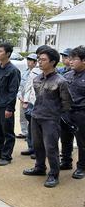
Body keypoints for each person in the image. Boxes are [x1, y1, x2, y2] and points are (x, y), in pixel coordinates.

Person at [23, 46, 72, 188]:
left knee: (51, 148)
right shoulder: (37, 79)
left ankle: (54, 174)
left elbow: (67, 103)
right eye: (39, 59)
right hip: (36, 116)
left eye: (43, 59)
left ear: (53, 62)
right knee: (37, 145)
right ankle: (39, 167)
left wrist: (54, 113)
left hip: (51, 119)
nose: (39, 62)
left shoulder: (61, 81)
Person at [60, 46, 85, 179]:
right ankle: (66, 161)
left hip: (81, 114)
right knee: (65, 139)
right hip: (66, 113)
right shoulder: (67, 75)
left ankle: (82, 167)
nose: (70, 61)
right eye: (70, 58)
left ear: (83, 60)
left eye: (74, 59)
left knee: (82, 142)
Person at [20, 53, 41, 157]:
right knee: (31, 126)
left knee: (39, 128)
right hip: (31, 102)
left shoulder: (47, 72)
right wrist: (25, 100)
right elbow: (27, 86)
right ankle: (31, 147)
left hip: (41, 104)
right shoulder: (32, 72)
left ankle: (39, 150)